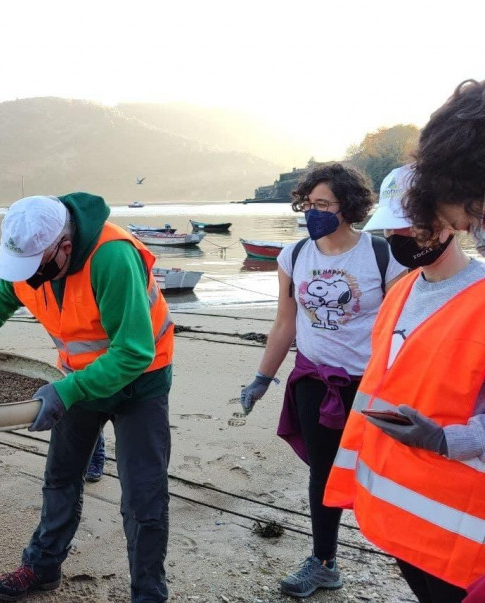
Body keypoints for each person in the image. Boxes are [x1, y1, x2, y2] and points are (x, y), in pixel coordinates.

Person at [0, 193, 174, 602]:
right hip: (77, 380)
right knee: (60, 477)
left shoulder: (111, 257)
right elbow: (5, 296)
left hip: (140, 384)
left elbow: (134, 351)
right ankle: (43, 566)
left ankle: (148, 593)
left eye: (35, 269)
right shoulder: (34, 261)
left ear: (65, 247)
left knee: (143, 496)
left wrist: (67, 391)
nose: (28, 278)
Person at [325, 79, 485, 603]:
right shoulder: (400, 293)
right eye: (394, 231)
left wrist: (446, 440)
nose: (403, 240)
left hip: (462, 530)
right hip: (397, 517)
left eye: (415, 227)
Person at [239, 162, 405, 598]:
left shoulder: (381, 256)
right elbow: (284, 324)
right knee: (324, 474)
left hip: (371, 386)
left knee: (385, 472)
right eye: (309, 204)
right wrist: (262, 378)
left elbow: (405, 326)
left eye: (323, 204)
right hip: (313, 379)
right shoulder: (293, 256)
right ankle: (324, 561)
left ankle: (409, 554)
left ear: (348, 207)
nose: (313, 212)